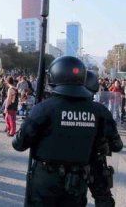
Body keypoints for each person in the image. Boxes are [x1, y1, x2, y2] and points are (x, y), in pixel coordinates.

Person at [12, 56, 123, 206]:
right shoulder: (100, 111)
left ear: (54, 77)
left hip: (45, 184)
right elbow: (117, 145)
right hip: (77, 183)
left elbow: (19, 144)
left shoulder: (44, 108)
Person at [85, 71, 119, 207]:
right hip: (95, 163)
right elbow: (117, 145)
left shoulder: (50, 108)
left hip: (64, 167)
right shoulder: (100, 111)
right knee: (104, 200)